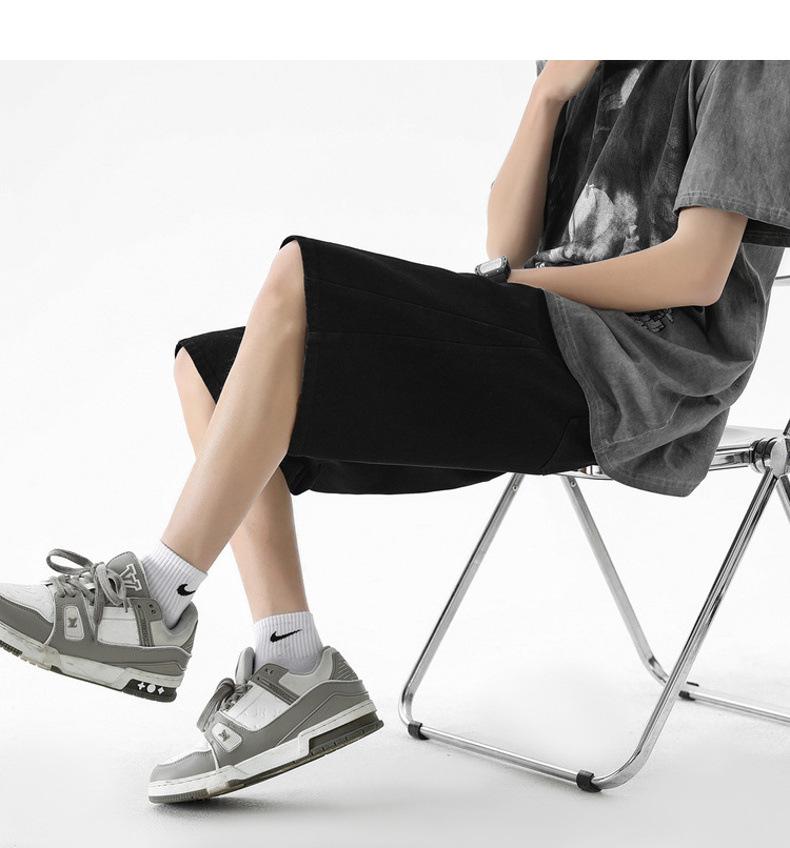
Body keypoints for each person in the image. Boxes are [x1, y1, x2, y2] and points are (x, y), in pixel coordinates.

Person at [1, 60, 788, 804]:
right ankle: (291, 663)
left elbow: (696, 272)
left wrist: (517, 285)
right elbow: (505, 249)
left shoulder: (744, 56)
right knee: (211, 373)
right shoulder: (585, 60)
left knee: (301, 277)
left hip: (634, 378)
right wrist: (550, 93)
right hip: (538, 344)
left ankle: (155, 596)